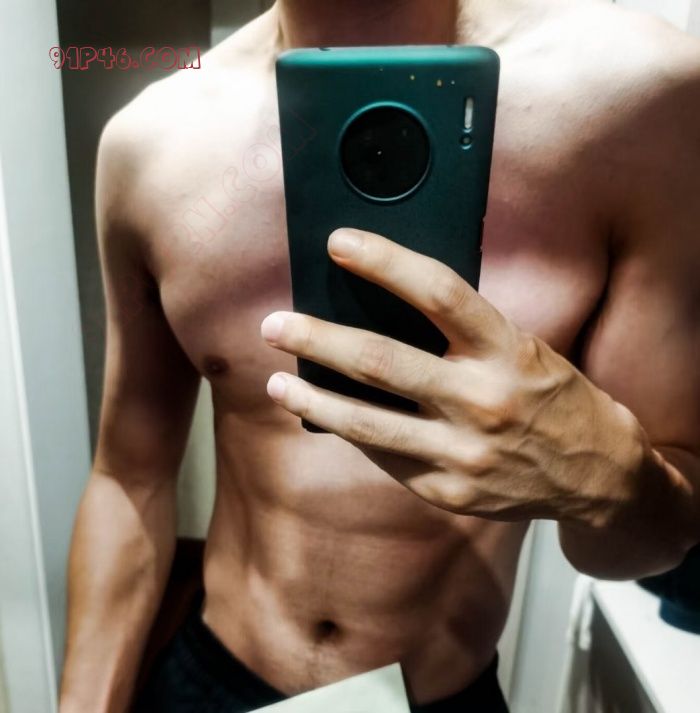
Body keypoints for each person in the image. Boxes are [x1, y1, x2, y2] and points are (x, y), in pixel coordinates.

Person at [58, 1, 700, 712]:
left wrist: (610, 483)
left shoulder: (638, 95)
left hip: (440, 695)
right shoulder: (150, 142)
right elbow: (130, 477)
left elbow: (647, 535)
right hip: (213, 678)